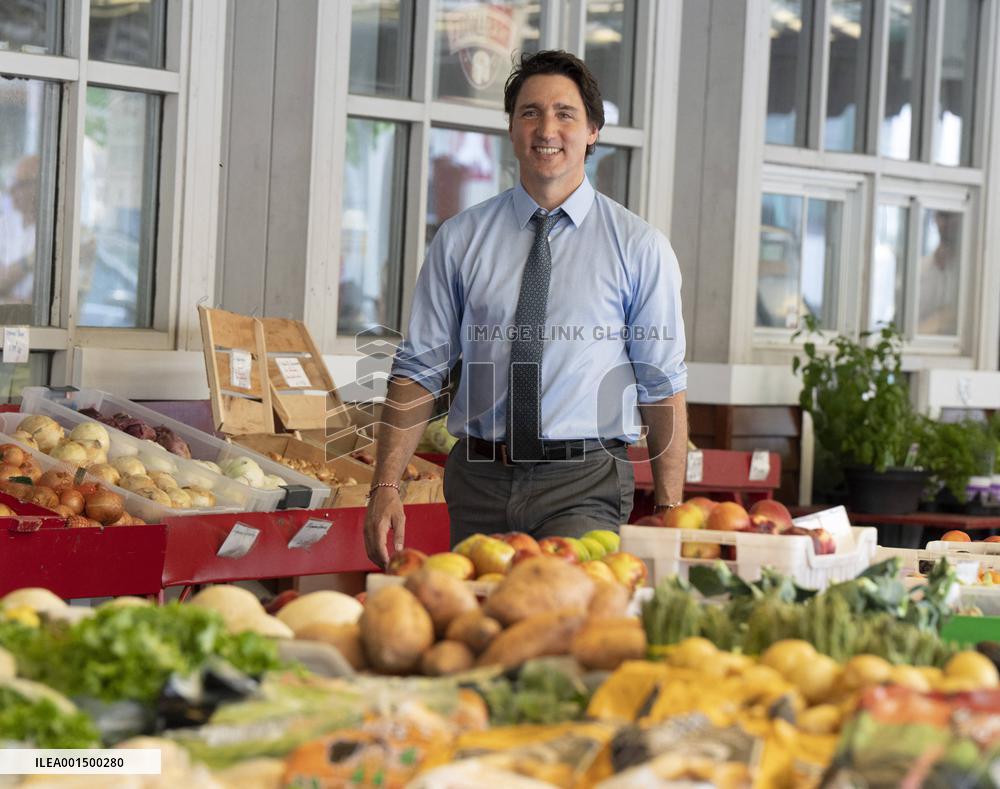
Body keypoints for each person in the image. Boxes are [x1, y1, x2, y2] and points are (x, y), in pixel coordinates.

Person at [363, 50, 687, 568]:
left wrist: (670, 508)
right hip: (479, 480)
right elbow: (420, 368)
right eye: (530, 112)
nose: (546, 128)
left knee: (561, 620)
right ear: (512, 129)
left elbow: (661, 383)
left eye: (565, 113)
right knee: (477, 630)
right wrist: (384, 485)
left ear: (593, 131)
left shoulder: (638, 246)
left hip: (584, 481)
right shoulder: (460, 239)